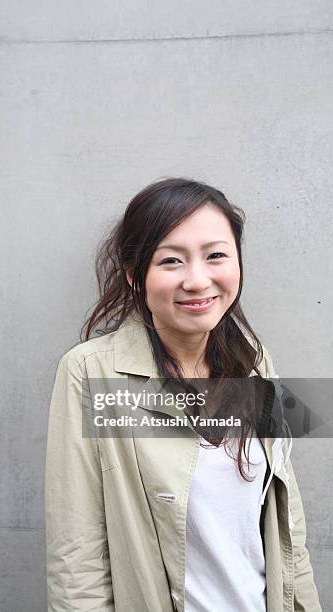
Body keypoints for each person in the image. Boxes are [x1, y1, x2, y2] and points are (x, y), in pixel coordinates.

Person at [45, 177, 321, 611]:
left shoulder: (256, 361)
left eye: (215, 256)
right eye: (172, 261)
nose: (197, 280)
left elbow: (288, 520)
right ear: (137, 277)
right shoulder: (90, 372)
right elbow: (76, 556)